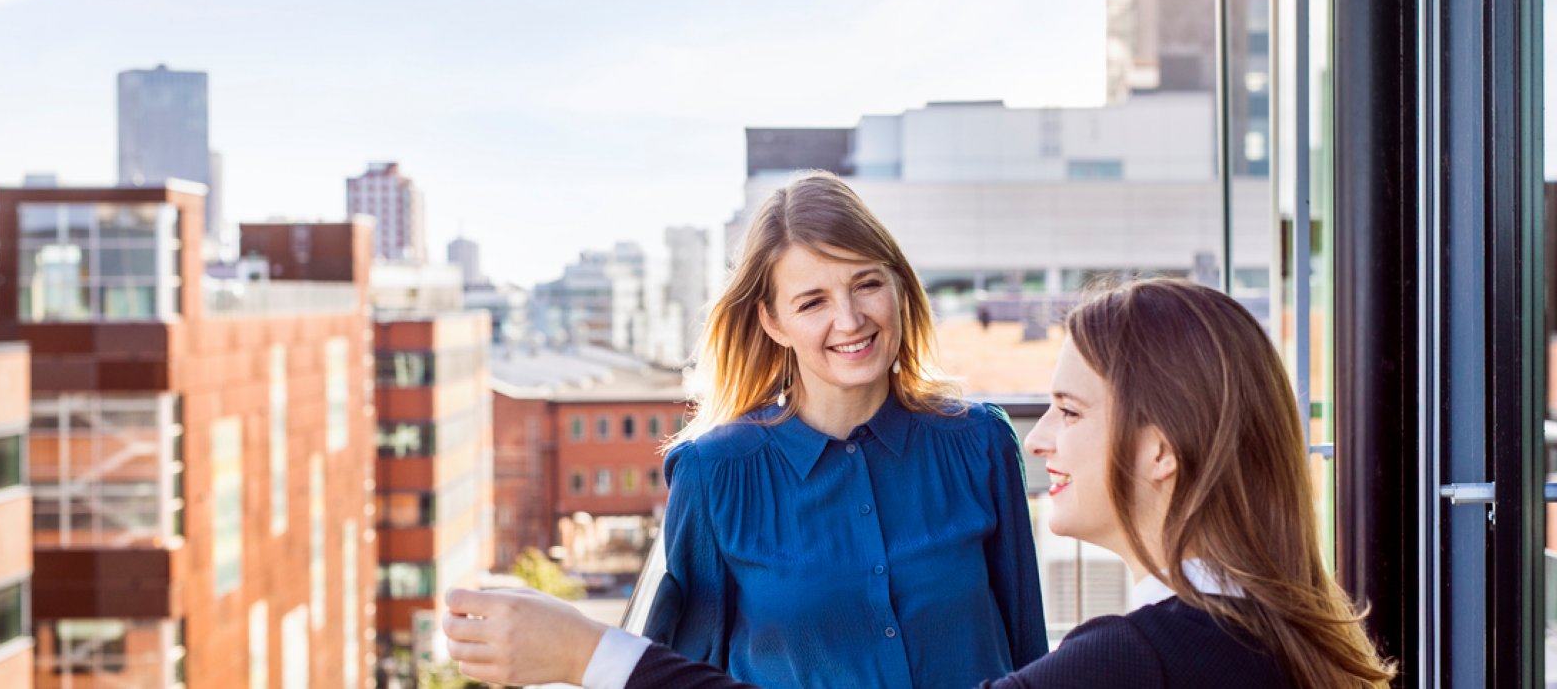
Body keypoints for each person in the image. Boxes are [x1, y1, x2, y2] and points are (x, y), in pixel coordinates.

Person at [443, 278, 1396, 688]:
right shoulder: (1274, 631)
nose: (1036, 443)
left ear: (1159, 450)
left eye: (1068, 410)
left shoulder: (1136, 660)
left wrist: (584, 656)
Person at [442, 171, 1047, 689]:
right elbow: (679, 675)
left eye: (866, 283)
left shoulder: (980, 444)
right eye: (812, 301)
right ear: (773, 321)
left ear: (898, 286)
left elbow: (1030, 654)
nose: (850, 319)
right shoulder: (713, 476)